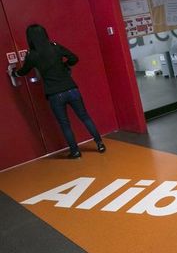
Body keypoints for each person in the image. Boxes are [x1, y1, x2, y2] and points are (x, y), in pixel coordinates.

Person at [9, 24, 106, 159]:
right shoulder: (55, 47)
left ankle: (75, 151)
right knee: (85, 117)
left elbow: (23, 71)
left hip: (55, 94)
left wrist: (13, 73)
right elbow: (74, 58)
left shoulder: (32, 55)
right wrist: (65, 66)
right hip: (72, 89)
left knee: (65, 124)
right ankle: (100, 144)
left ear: (30, 38)